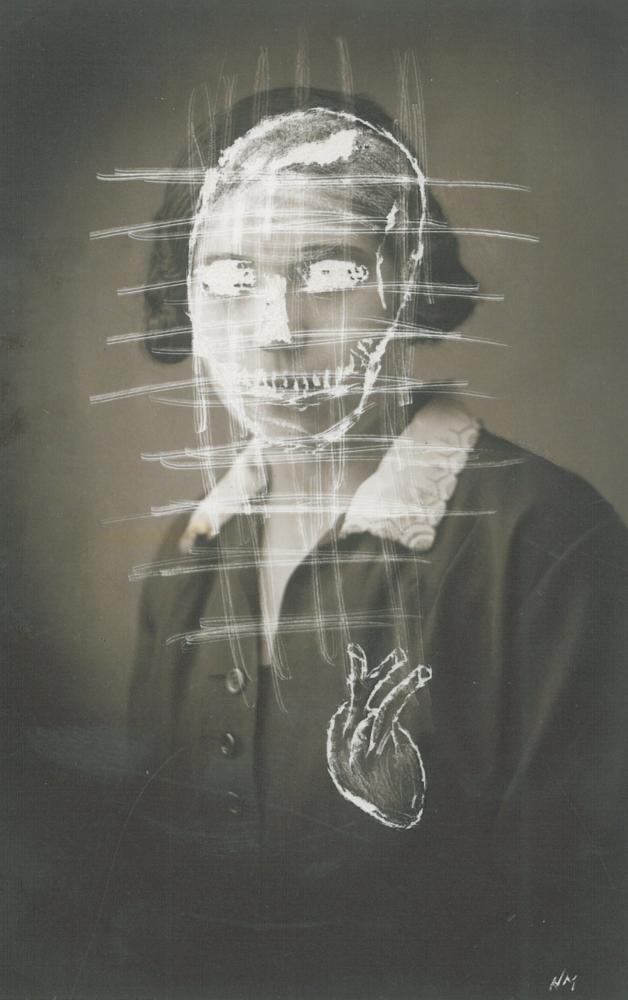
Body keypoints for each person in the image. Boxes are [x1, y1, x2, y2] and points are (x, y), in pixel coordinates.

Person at [124, 88, 628, 999]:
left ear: (409, 282)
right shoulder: (186, 558)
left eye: (329, 273)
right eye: (231, 281)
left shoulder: (547, 542)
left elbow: (577, 931)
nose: (277, 333)